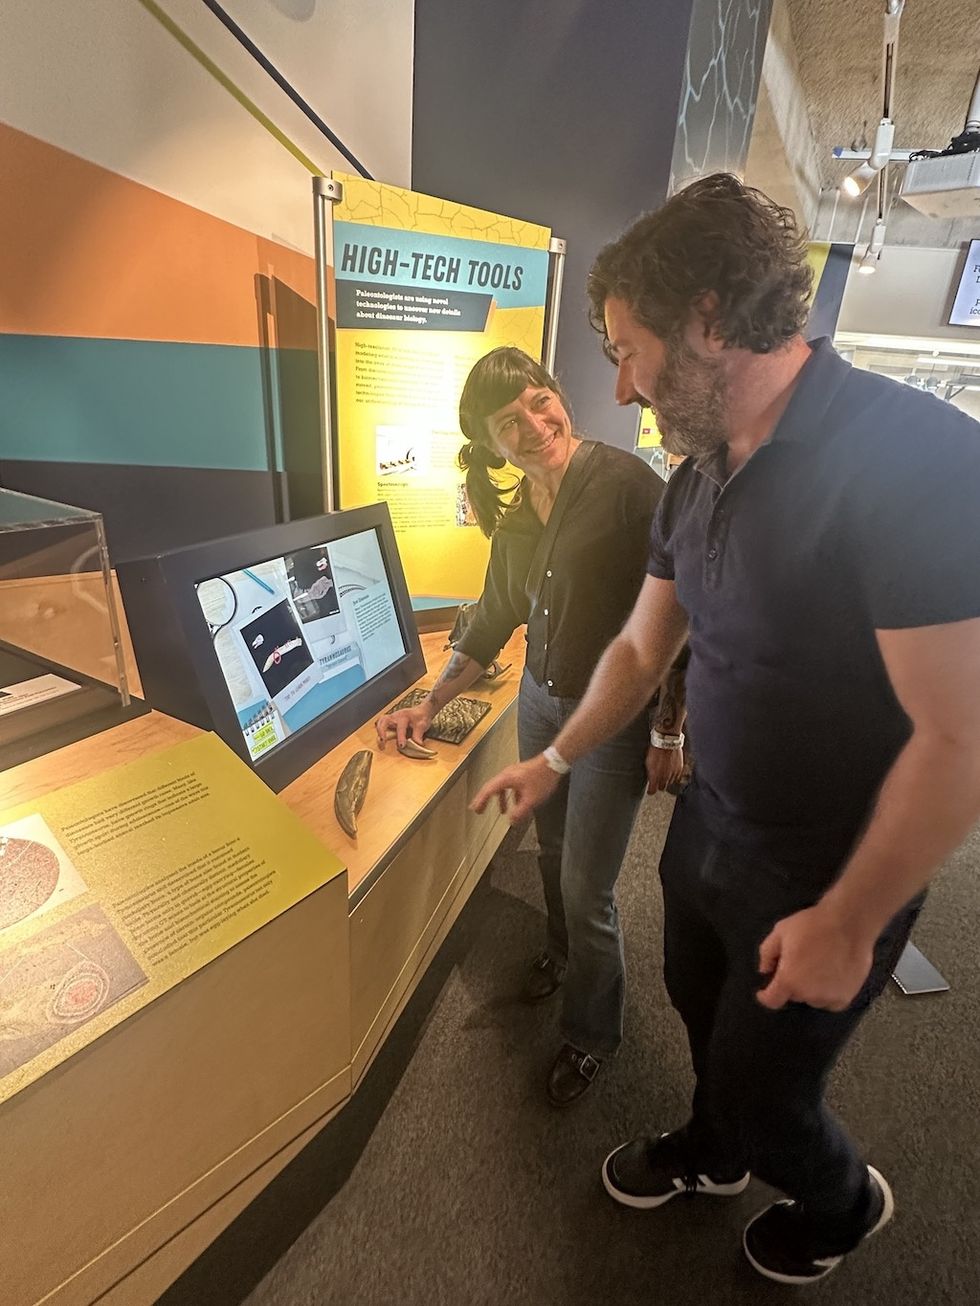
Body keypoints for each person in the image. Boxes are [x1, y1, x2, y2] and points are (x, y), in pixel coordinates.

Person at [472, 175, 980, 1283]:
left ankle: (842, 1204)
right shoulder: (692, 478)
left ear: (707, 318)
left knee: (771, 1088)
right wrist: (554, 758)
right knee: (695, 1009)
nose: (616, 384)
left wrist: (849, 919)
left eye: (626, 348)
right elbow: (642, 648)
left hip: (832, 867)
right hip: (708, 828)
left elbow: (960, 739)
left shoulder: (916, 463)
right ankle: (712, 1151)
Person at [376, 346, 683, 1105]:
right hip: (541, 704)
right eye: (509, 422)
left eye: (539, 401)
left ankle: (591, 1033)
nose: (535, 424)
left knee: (589, 888)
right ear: (489, 443)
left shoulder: (626, 489)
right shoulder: (515, 515)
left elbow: (680, 621)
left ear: (556, 395)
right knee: (549, 851)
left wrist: (670, 730)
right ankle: (558, 953)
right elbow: (491, 622)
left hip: (609, 722)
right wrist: (430, 702)